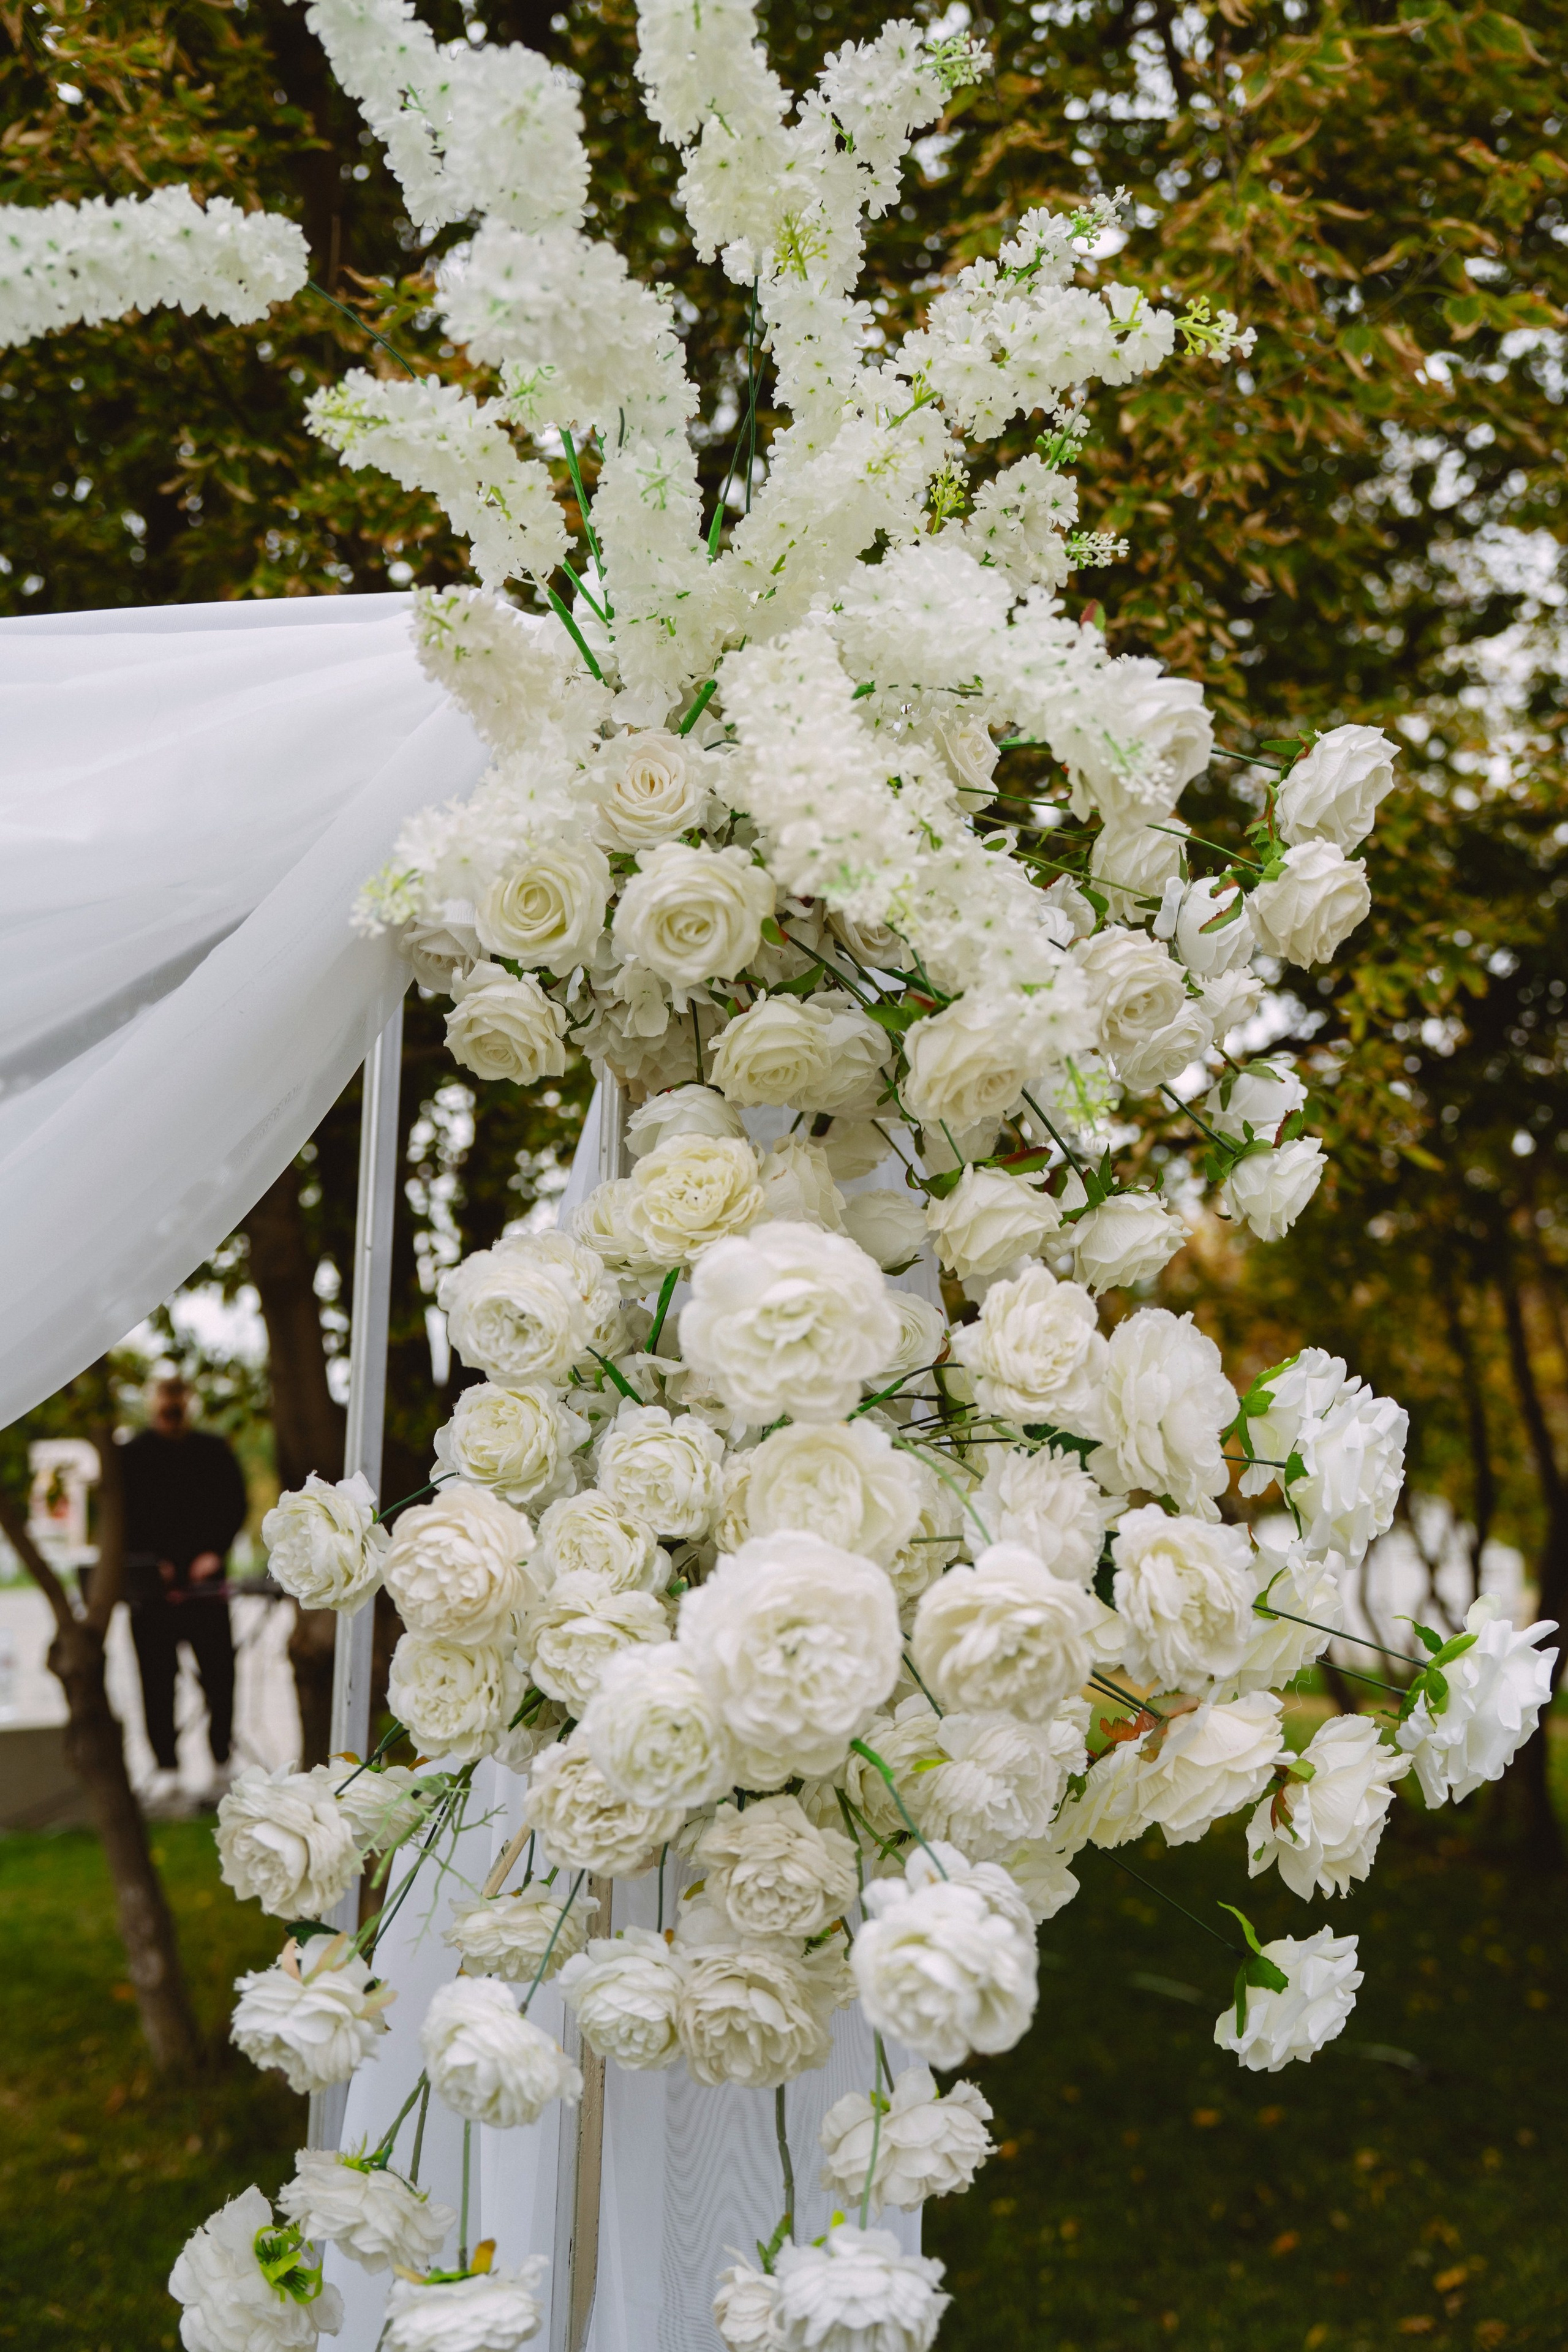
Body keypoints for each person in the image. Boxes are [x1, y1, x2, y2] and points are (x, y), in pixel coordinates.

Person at [119, 1374, 249, 1810]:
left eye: (179, 1400)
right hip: (153, 1595)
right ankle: (167, 1769)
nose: (171, 1409)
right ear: (153, 1402)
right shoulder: (131, 1457)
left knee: (220, 1678)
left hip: (206, 1591)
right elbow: (122, 1515)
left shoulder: (213, 1452)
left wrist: (213, 1551)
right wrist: (152, 1561)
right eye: (164, 1399)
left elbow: (235, 1504)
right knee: (156, 1683)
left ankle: (220, 1761)